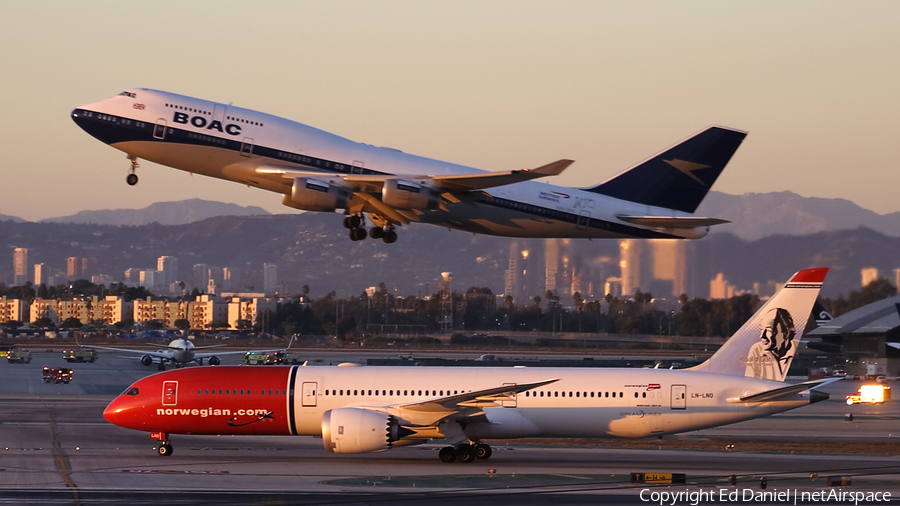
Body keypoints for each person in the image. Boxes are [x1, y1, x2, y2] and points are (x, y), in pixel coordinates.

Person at [744, 308, 796, 381]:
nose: (762, 336)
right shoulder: (757, 350)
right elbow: (749, 384)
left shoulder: (799, 350)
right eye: (761, 329)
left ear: (786, 333)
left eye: (769, 330)